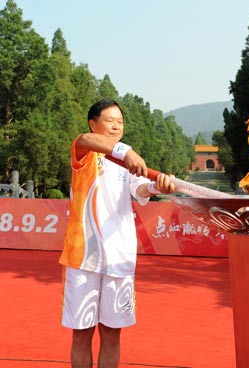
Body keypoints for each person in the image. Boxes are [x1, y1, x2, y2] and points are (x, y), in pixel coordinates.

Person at [59, 98, 175, 368]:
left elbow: (142, 190)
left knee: (112, 335)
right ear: (93, 123)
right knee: (82, 335)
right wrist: (125, 150)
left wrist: (159, 187)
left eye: (120, 122)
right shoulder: (85, 152)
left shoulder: (127, 165)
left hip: (119, 259)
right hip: (83, 258)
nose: (115, 126)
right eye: (109, 121)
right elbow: (87, 140)